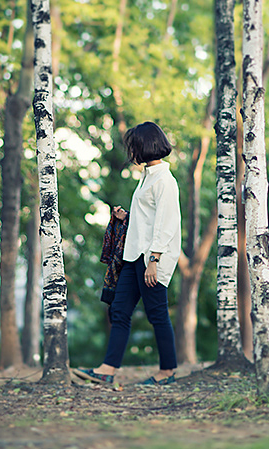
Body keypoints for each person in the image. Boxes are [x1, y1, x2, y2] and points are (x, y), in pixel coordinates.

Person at [75, 121, 181, 386]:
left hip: (151, 259)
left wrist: (154, 260)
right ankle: (106, 370)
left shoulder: (164, 180)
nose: (131, 152)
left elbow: (167, 223)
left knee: (157, 314)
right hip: (134, 257)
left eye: (134, 147)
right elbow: (149, 218)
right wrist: (127, 217)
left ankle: (168, 371)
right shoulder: (148, 176)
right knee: (119, 311)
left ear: (145, 146)